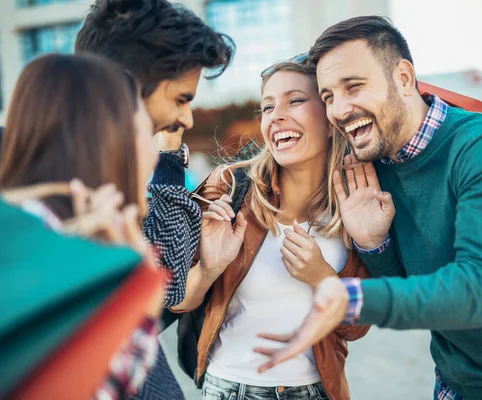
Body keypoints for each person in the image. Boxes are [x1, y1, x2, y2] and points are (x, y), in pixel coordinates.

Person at [255, 16, 482, 400]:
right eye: (329, 96)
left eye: (354, 86)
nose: (339, 109)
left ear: (403, 78)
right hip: (455, 385)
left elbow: (478, 292)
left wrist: (347, 297)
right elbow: (417, 286)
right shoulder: (376, 163)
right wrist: (375, 243)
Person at [170, 58, 370, 400]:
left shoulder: (357, 203)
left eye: (295, 100)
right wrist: (210, 268)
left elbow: (354, 328)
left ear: (329, 117)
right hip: (227, 388)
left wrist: (321, 277)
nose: (276, 115)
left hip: (315, 391)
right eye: (267, 106)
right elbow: (177, 300)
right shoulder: (229, 187)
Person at [74, 0, 235, 397]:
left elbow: (167, 284)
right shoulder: (42, 194)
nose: (187, 119)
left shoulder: (109, 179)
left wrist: (166, 154)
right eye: (181, 98)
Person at [0, 53, 162, 399]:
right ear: (118, 139)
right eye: (151, 129)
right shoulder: (67, 256)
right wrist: (141, 300)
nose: (156, 152)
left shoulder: (18, 225)